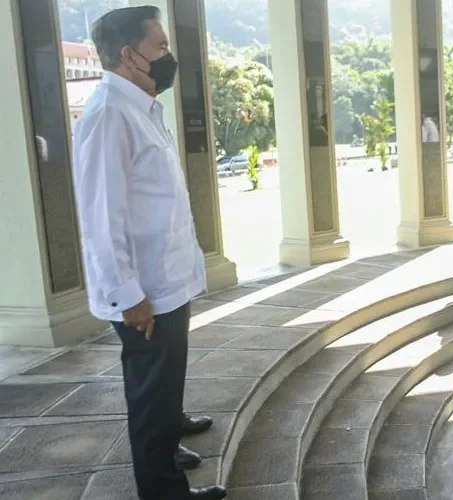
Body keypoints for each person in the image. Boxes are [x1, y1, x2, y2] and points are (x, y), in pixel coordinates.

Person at [74, 7, 225, 500]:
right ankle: (164, 490)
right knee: (150, 390)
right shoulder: (107, 116)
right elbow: (101, 217)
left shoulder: (141, 106)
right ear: (128, 54)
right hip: (144, 290)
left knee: (163, 383)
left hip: (166, 278)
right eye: (160, 46)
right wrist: (128, 294)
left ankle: (165, 438)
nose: (167, 56)